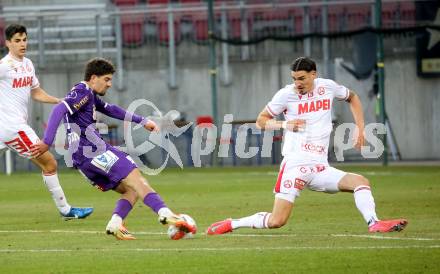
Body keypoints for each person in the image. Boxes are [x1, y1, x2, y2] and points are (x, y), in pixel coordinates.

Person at [207, 57, 407, 235]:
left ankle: (374, 223)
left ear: (314, 74)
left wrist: (360, 129)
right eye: (294, 78)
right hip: (295, 165)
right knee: (277, 221)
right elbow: (261, 120)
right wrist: (285, 124)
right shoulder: (286, 94)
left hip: (320, 166)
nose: (297, 83)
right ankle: (232, 223)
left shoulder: (327, 87)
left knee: (360, 182)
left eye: (301, 78)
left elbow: (352, 97)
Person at [31, 57, 196, 240]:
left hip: (82, 161)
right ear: (94, 77)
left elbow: (111, 109)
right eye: (107, 79)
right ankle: (165, 213)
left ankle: (115, 224)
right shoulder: (82, 91)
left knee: (130, 190)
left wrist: (142, 121)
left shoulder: (89, 95)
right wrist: (47, 141)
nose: (109, 84)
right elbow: (58, 110)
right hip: (94, 151)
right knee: (138, 181)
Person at [0, 24, 93, 219]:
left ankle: (66, 210)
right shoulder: (4, 67)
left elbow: (35, 92)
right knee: (49, 163)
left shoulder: (28, 64)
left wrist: (58, 101)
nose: (22, 44)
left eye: (24, 39)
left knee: (48, 165)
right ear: (7, 43)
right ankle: (66, 210)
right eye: (17, 41)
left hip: (12, 128)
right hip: (13, 128)